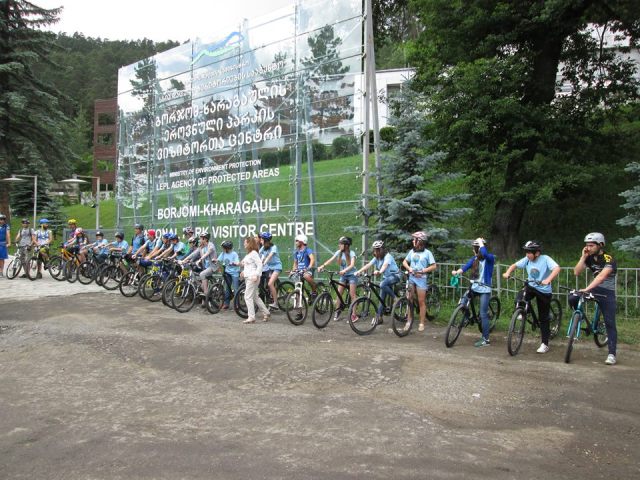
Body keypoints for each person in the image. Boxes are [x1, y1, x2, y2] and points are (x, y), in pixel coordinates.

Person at [503, 240, 561, 354]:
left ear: (537, 253)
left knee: (543, 318)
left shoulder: (545, 259)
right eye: (526, 252)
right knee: (519, 298)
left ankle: (545, 344)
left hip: (544, 290)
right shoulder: (527, 259)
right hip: (531, 286)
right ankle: (523, 311)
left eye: (530, 252)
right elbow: (514, 265)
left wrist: (548, 279)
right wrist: (507, 272)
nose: (527, 255)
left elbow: (557, 268)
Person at [570, 233, 618, 365]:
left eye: (591, 245)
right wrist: (583, 257)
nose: (588, 248)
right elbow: (576, 272)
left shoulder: (609, 259)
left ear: (600, 245)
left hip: (607, 292)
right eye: (586, 245)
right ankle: (578, 317)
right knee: (572, 297)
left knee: (610, 322)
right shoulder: (589, 257)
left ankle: (612, 354)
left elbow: (601, 277)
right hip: (593, 289)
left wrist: (586, 289)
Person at [452, 238, 496, 347]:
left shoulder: (489, 258)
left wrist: (481, 243)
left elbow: (485, 254)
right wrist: (457, 272)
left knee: (483, 314)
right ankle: (468, 317)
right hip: (474, 287)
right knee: (462, 303)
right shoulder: (474, 258)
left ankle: (485, 340)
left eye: (475, 248)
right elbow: (465, 267)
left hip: (485, 289)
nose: (474, 250)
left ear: (479, 248)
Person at [354, 240, 401, 325]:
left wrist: (380, 271)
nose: (376, 251)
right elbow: (368, 265)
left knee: (382, 284)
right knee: (381, 298)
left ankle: (395, 299)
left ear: (382, 249)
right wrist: (359, 271)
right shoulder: (377, 258)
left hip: (395, 276)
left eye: (378, 249)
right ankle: (379, 317)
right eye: (375, 250)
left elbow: (385, 265)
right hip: (386, 277)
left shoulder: (388, 256)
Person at [401, 231, 438, 332]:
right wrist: (409, 269)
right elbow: (404, 262)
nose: (413, 241)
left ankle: (422, 322)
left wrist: (423, 271)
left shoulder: (427, 253)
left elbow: (434, 266)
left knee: (421, 302)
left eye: (415, 239)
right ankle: (408, 321)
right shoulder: (412, 252)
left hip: (421, 279)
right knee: (409, 299)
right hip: (412, 278)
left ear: (419, 241)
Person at [318, 236, 358, 322]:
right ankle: (338, 310)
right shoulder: (339, 252)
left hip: (352, 275)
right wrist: (322, 266)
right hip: (343, 275)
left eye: (341, 244)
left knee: (352, 294)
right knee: (339, 293)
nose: (339, 245)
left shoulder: (352, 253)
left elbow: (352, 265)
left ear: (346, 245)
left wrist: (344, 270)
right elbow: (331, 260)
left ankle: (354, 315)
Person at [181, 232, 217, 306]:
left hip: (212, 267)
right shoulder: (201, 247)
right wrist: (184, 260)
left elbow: (208, 253)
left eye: (201, 238)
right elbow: (193, 254)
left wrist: (200, 259)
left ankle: (206, 295)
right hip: (205, 267)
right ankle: (204, 301)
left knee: (202, 274)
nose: (199, 240)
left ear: (205, 239)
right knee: (199, 280)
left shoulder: (211, 245)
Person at [241, 235, 270, 324]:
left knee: (247, 296)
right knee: (254, 297)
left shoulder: (253, 253)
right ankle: (266, 312)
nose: (244, 244)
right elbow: (247, 265)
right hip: (249, 277)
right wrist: (242, 271)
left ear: (249, 243)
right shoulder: (249, 254)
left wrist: (256, 275)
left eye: (245, 242)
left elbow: (260, 265)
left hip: (252, 278)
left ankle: (251, 317)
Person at [259, 232, 283, 310]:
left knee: (270, 283)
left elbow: (269, 256)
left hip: (277, 267)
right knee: (269, 286)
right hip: (270, 268)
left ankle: (275, 303)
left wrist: (263, 263)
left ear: (265, 240)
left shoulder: (273, 247)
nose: (260, 241)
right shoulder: (263, 248)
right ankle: (271, 298)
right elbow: (259, 256)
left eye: (261, 239)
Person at [218, 240, 240, 310]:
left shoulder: (234, 254)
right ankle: (226, 304)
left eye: (224, 248)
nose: (223, 249)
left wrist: (233, 263)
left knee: (236, 288)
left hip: (235, 272)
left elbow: (237, 262)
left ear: (227, 248)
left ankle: (237, 304)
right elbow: (219, 259)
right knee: (227, 288)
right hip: (227, 272)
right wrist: (215, 260)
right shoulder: (223, 253)